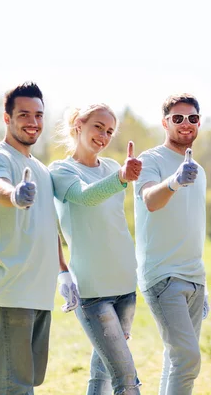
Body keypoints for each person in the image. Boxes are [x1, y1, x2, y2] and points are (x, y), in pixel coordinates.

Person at [0, 81, 64, 394]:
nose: (33, 122)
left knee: (31, 379)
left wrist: (64, 272)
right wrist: (14, 195)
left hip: (39, 291)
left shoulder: (39, 168)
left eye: (38, 115)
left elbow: (48, 224)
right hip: (10, 290)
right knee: (16, 385)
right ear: (7, 118)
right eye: (24, 114)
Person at [49, 104, 143, 394]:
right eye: (98, 127)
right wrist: (121, 179)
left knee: (102, 375)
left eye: (110, 131)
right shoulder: (61, 170)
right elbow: (85, 197)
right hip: (92, 291)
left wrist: (120, 176)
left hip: (126, 285)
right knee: (126, 379)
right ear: (79, 124)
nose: (104, 136)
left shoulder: (114, 167)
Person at [133, 93, 206, 395]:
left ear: (199, 122)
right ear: (165, 122)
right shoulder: (150, 160)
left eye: (192, 118)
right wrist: (174, 181)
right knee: (187, 359)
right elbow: (150, 199)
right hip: (163, 276)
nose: (185, 124)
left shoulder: (198, 169)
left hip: (194, 278)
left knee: (175, 360)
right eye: (177, 118)